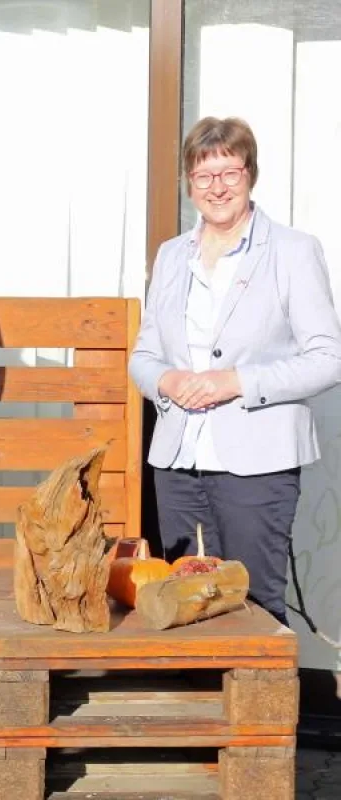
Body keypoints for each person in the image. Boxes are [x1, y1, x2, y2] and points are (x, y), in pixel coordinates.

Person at [129, 116, 341, 625]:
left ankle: (263, 708)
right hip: (178, 462)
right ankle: (199, 705)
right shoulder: (172, 255)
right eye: (203, 176)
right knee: (185, 602)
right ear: (189, 183)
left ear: (251, 174)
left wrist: (238, 383)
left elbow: (328, 357)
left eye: (229, 172)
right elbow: (144, 354)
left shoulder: (292, 251)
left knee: (255, 606)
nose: (217, 186)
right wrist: (167, 381)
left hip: (258, 464)